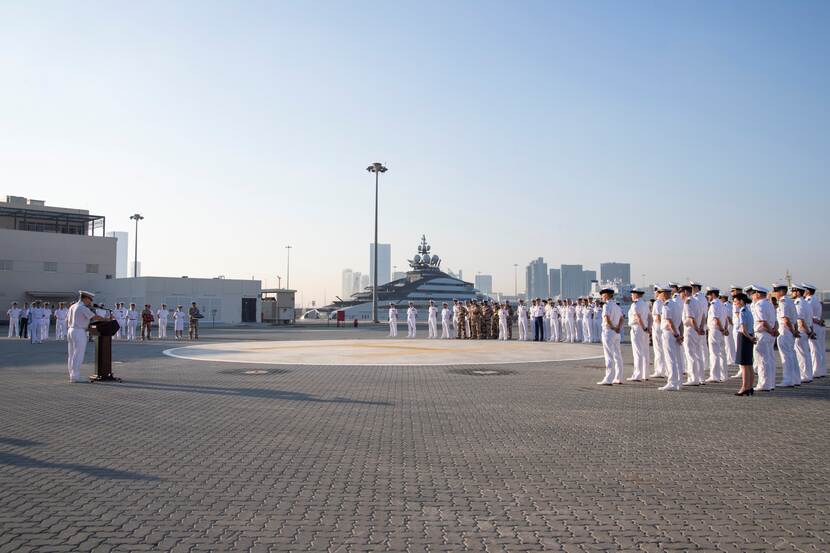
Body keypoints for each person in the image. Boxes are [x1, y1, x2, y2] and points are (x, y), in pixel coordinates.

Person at [66, 291, 104, 383]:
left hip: (71, 330)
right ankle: (76, 376)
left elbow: (68, 320)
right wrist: (106, 319)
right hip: (79, 331)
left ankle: (72, 374)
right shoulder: (82, 307)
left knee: (71, 354)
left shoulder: (73, 306)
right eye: (90, 299)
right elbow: (95, 317)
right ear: (85, 298)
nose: (90, 302)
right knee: (78, 354)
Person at [746, 285, 777, 392]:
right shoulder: (769, 304)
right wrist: (774, 331)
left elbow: (763, 322)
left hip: (763, 334)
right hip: (770, 334)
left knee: (761, 360)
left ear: (758, 294)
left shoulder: (759, 305)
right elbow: (775, 321)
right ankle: (771, 383)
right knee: (770, 359)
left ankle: (764, 384)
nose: (752, 296)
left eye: (753, 294)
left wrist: (771, 331)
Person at [772, 284, 799, 388]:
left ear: (781, 291)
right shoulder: (790, 301)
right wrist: (795, 330)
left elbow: (786, 319)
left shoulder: (783, 302)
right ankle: (795, 379)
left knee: (786, 357)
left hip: (785, 331)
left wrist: (793, 331)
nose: (775, 294)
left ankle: (788, 380)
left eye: (776, 291)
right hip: (790, 331)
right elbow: (795, 319)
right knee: (792, 355)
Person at [657, 284, 683, 391]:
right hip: (676, 332)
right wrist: (680, 334)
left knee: (670, 358)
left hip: (670, 333)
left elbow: (669, 322)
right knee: (677, 358)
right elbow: (680, 321)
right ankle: (679, 382)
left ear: (664, 294)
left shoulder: (666, 305)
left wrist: (676, 335)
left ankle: (672, 382)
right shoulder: (676, 304)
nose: (659, 296)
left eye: (660, 293)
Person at [597, 288, 624, 385]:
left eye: (603, 295)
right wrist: (618, 328)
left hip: (609, 331)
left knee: (608, 355)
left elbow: (607, 318)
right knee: (618, 355)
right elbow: (622, 318)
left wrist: (613, 327)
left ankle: (608, 378)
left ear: (607, 295)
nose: (601, 297)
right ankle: (619, 377)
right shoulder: (617, 306)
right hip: (617, 332)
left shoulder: (606, 306)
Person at [680, 285, 705, 386]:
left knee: (690, 355)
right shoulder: (697, 301)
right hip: (697, 330)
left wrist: (697, 329)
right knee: (698, 355)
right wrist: (701, 328)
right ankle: (700, 377)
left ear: (685, 292)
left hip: (691, 330)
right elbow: (703, 316)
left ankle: (693, 378)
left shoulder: (688, 302)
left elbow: (691, 318)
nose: (680, 295)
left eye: (681, 292)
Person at [704, 288, 728, 382]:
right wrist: (724, 329)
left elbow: (716, 318)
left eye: (709, 295)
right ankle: (724, 375)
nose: (708, 297)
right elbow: (725, 318)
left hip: (715, 330)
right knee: (722, 353)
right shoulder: (722, 304)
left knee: (714, 353)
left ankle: (715, 376)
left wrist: (722, 328)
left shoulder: (714, 305)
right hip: (721, 330)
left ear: (713, 294)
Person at [734, 293, 755, 395]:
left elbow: (743, 328)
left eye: (736, 301)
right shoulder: (748, 311)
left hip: (744, 337)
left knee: (744, 365)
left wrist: (750, 338)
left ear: (741, 301)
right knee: (749, 364)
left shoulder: (742, 312)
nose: (735, 303)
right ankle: (750, 387)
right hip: (750, 336)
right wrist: (752, 337)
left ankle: (744, 387)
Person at [803, 283, 826, 378]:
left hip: (814, 325)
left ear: (808, 291)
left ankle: (816, 371)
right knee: (820, 349)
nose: (803, 292)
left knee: (814, 349)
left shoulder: (809, 300)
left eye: (804, 290)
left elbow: (809, 315)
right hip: (818, 326)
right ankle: (821, 370)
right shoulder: (815, 299)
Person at [791, 284, 813, 383]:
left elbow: (800, 320)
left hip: (801, 332)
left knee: (801, 355)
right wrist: (810, 331)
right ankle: (808, 375)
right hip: (806, 331)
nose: (791, 293)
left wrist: (808, 332)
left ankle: (804, 375)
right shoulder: (805, 303)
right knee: (806, 355)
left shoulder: (798, 303)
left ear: (798, 292)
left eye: (793, 291)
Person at [627, 288, 650, 381]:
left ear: (636, 294)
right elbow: (650, 317)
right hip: (644, 329)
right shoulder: (645, 304)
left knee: (637, 352)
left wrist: (644, 327)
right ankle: (645, 374)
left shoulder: (635, 304)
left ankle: (637, 374)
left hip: (637, 328)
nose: (631, 296)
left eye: (632, 294)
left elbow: (638, 318)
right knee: (645, 352)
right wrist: (648, 328)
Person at [650, 286, 666, 379]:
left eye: (656, 291)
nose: (655, 293)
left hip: (658, 327)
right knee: (662, 350)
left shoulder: (657, 303)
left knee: (658, 350)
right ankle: (663, 369)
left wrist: (660, 326)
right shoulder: (664, 302)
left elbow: (658, 317)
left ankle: (659, 371)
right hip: (662, 327)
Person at [720, 293, 737, 367]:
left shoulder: (725, 305)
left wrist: (729, 325)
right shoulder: (729, 305)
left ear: (723, 298)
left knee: (728, 343)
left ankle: (731, 359)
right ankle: (731, 358)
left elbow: (728, 317)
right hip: (730, 325)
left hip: (728, 326)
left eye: (720, 298)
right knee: (729, 343)